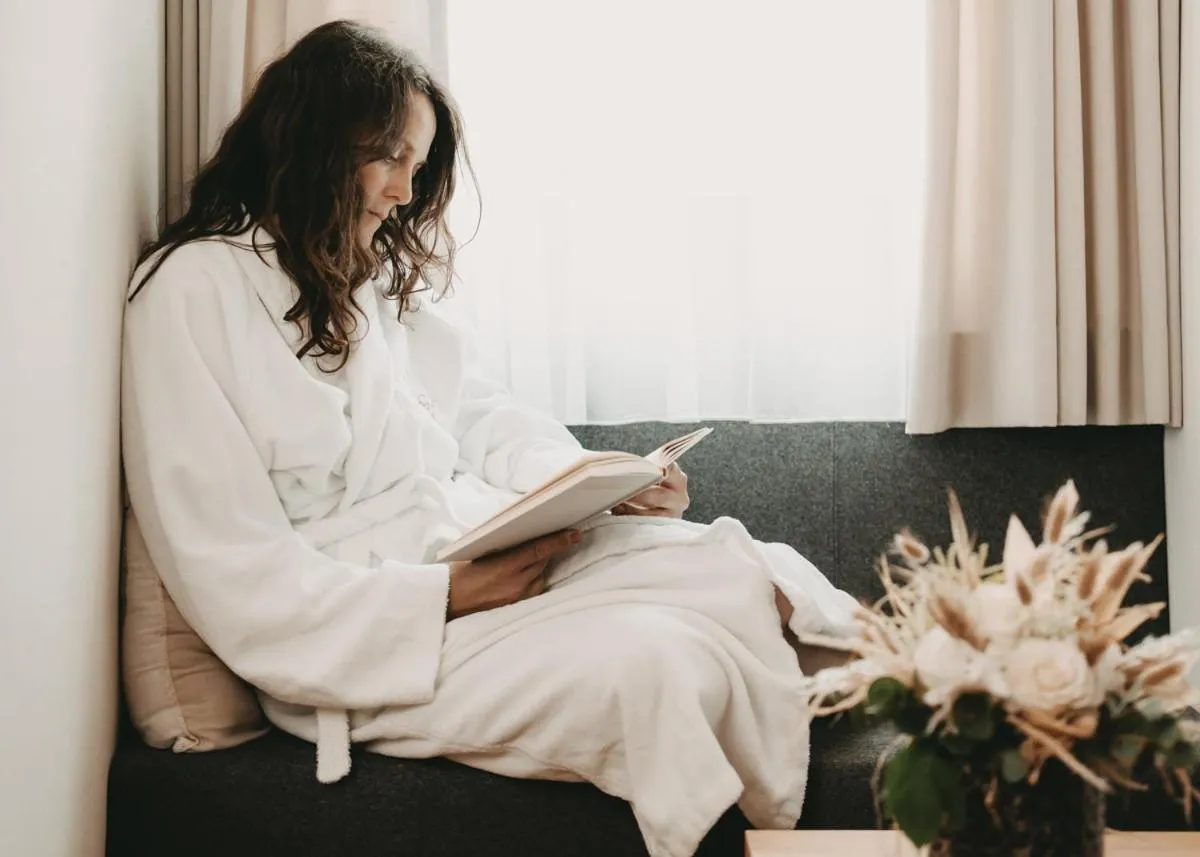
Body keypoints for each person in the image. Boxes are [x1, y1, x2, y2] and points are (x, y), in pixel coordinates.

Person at [121, 21, 858, 857]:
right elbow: (231, 564)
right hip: (362, 637)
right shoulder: (190, 294)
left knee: (732, 563)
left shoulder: (356, 284)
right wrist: (442, 595)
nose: (404, 190)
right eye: (390, 156)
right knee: (656, 665)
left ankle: (929, 716)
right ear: (317, 140)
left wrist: (599, 479)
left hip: (464, 554)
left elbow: (480, 417)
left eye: (417, 164)